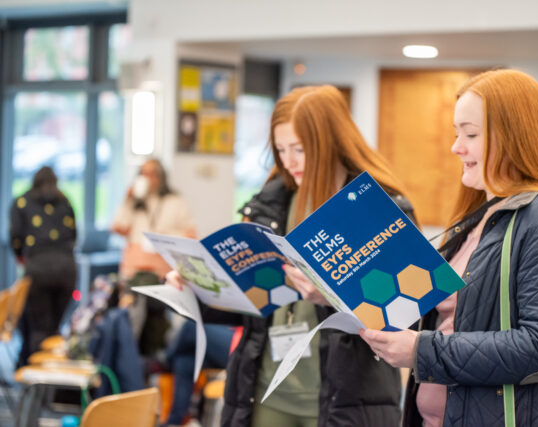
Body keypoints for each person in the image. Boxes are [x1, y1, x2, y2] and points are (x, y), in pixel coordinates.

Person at [359, 69, 538, 427]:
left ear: (516, 137)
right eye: (456, 133)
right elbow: (457, 321)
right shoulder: (477, 218)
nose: (455, 147)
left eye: (471, 134)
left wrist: (421, 350)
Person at [167, 85, 416, 427]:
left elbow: (407, 316)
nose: (289, 161)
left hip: (345, 399)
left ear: (331, 143)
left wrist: (330, 298)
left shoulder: (378, 207)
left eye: (299, 148)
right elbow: (252, 305)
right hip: (265, 390)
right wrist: (199, 290)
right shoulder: (270, 204)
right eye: (281, 149)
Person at [112, 158, 196, 355]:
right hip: (133, 272)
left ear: (161, 176)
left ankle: (153, 364)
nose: (148, 178)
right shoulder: (134, 203)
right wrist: (129, 200)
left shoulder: (175, 201)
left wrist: (162, 237)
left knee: (157, 327)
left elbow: (191, 235)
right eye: (143, 173)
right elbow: (118, 227)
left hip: (161, 273)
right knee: (131, 326)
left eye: (153, 173)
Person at [10, 166, 77, 364]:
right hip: (67, 270)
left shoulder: (21, 202)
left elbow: (15, 238)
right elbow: (74, 236)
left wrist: (23, 258)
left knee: (39, 328)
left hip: (38, 269)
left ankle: (37, 385)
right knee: (54, 328)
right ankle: (52, 385)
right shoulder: (65, 200)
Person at [163, 321, 234, 426]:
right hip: (232, 331)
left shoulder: (264, 307)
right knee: (184, 362)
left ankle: (165, 360)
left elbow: (265, 310)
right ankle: (174, 423)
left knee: (193, 325)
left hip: (245, 343)